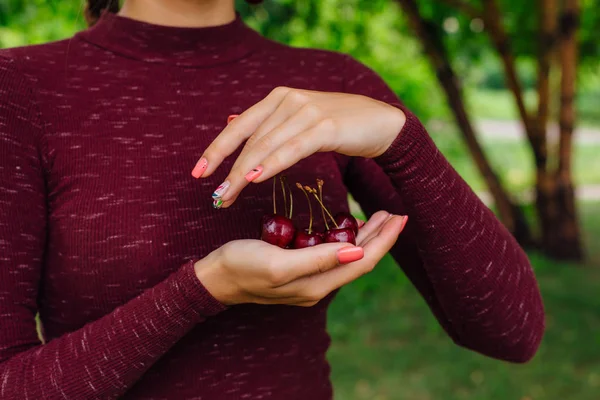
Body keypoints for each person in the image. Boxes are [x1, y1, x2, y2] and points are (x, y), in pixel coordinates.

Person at [0, 0, 545, 398]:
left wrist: (403, 140)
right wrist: (204, 289)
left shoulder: (330, 83)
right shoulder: (22, 89)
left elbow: (512, 330)